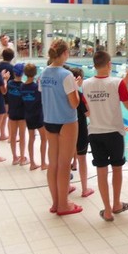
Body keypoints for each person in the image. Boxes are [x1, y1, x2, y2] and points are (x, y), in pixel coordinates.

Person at [82, 51, 128, 222]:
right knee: (117, 169)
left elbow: (87, 109)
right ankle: (116, 204)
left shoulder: (86, 84)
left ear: (94, 65)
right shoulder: (117, 83)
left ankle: (107, 210)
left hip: (95, 133)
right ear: (109, 64)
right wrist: (126, 85)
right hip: (114, 133)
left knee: (101, 171)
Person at [40, 39, 82, 216]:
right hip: (66, 121)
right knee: (64, 165)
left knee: (53, 163)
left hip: (49, 121)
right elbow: (74, 103)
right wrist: (77, 87)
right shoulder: (66, 75)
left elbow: (45, 94)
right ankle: (64, 205)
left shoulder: (43, 73)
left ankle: (56, 203)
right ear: (65, 53)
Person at [70, 67, 94, 198]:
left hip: (66, 130)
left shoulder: (63, 94)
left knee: (66, 159)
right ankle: (85, 189)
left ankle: (66, 186)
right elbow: (88, 113)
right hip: (80, 130)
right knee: (82, 160)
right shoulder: (79, 95)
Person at [21, 63, 46, 170]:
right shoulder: (36, 87)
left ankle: (32, 163)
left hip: (28, 115)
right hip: (38, 115)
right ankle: (43, 163)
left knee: (31, 139)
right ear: (35, 73)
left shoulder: (22, 86)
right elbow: (43, 99)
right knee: (44, 139)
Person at [7, 63, 27, 165]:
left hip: (12, 112)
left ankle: (15, 158)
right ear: (23, 73)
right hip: (22, 114)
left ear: (13, 73)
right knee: (22, 136)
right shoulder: (24, 86)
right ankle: (22, 158)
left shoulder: (9, 84)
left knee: (13, 136)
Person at [0, 48, 15, 141]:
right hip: (8, 93)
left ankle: (2, 133)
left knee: (3, 114)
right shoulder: (12, 67)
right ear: (12, 57)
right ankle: (11, 136)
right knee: (8, 115)